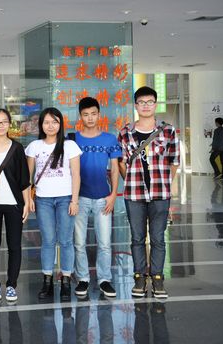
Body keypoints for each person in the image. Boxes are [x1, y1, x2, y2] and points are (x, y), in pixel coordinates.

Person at [118, 86, 179, 299]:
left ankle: (158, 278)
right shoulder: (125, 132)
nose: (146, 105)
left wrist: (164, 184)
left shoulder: (168, 131)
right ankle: (140, 278)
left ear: (155, 104)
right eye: (141, 102)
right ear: (136, 105)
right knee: (137, 238)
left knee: (158, 238)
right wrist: (132, 181)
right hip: (134, 195)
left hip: (160, 194)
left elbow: (174, 162)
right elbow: (121, 163)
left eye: (150, 102)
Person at [25, 107, 82, 302]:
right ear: (41, 125)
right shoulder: (34, 146)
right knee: (48, 241)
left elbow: (76, 175)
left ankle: (66, 281)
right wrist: (29, 199)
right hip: (43, 200)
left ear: (60, 124)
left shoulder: (70, 146)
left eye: (55, 122)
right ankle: (47, 281)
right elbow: (28, 176)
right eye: (47, 122)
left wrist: (75, 200)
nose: (50, 126)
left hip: (66, 198)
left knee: (66, 241)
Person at [72, 97, 121, 299]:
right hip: (80, 198)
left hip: (103, 197)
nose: (90, 118)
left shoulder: (110, 139)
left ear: (99, 115)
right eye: (86, 114)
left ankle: (104, 279)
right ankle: (83, 278)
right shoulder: (73, 140)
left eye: (93, 114)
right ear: (80, 116)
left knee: (104, 243)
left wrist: (113, 195)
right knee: (79, 243)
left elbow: (115, 169)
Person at [0, 109, 31, 303]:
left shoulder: (17, 148)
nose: (0, 125)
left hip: (14, 204)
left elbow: (24, 178)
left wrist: (27, 202)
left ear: (9, 124)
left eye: (4, 121)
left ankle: (11, 285)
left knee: (14, 245)